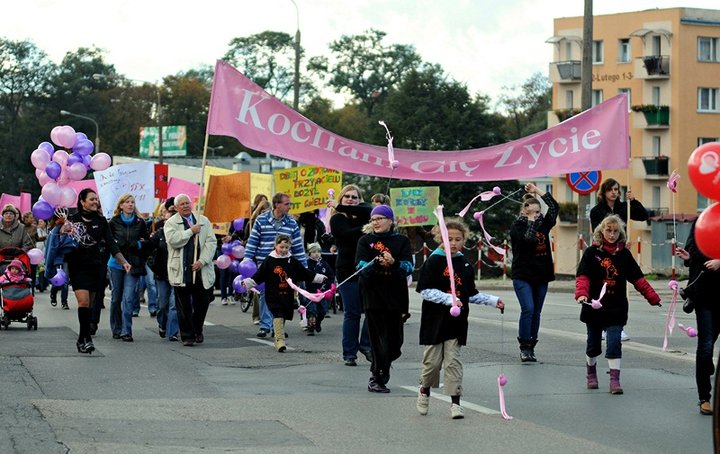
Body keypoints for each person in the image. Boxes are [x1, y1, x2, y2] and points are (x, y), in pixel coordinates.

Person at [416, 217, 505, 418]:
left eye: (458, 239)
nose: (454, 243)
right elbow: (425, 291)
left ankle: (455, 403)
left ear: (464, 240)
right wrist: (450, 299)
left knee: (453, 362)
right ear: (440, 238)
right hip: (434, 321)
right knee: (432, 364)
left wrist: (493, 300)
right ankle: (424, 390)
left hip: (456, 322)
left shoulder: (464, 263)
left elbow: (470, 293)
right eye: (450, 239)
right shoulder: (434, 260)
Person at [575, 215, 661, 394]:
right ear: (601, 231)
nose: (612, 235)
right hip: (594, 306)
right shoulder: (592, 253)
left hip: (616, 306)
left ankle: (615, 380)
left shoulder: (624, 255)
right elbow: (583, 276)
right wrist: (582, 295)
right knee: (593, 345)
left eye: (615, 231)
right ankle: (591, 372)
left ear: (620, 233)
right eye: (608, 231)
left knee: (614, 342)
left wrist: (653, 297)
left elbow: (638, 279)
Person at [62, 188, 131, 354]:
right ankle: (88, 339)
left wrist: (123, 262)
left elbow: (111, 244)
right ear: (82, 201)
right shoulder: (72, 219)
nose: (95, 202)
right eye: (91, 199)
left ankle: (82, 338)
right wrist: (63, 231)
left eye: (96, 199)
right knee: (83, 302)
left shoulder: (101, 221)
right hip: (77, 266)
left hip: (96, 266)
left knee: (91, 305)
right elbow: (60, 241)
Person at [356, 205, 413, 393]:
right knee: (378, 339)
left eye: (380, 218)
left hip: (396, 296)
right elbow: (361, 268)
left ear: (390, 220)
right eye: (373, 219)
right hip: (373, 296)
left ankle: (384, 365)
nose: (376, 222)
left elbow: (409, 267)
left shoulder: (402, 240)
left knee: (395, 343)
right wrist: (376, 262)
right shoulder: (365, 241)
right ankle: (377, 377)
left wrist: (393, 262)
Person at [243, 234, 326, 351]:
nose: (283, 250)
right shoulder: (269, 260)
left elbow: (304, 272)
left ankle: (278, 334)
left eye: (286, 247)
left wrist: (320, 278)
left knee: (284, 315)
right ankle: (279, 340)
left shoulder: (292, 261)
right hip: (272, 293)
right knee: (278, 314)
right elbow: (260, 275)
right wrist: (248, 283)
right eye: (281, 247)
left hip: (287, 294)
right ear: (275, 246)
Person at [590, 178, 649, 342]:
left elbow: (643, 216)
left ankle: (618, 326)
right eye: (610, 189)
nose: (614, 192)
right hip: (602, 254)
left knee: (619, 292)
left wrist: (633, 201)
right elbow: (596, 232)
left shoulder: (625, 208)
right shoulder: (596, 211)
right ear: (604, 192)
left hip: (621, 254)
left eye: (616, 189)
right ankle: (603, 326)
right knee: (602, 289)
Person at [244, 193, 307, 338]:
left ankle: (277, 327)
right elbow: (253, 241)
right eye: (286, 204)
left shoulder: (292, 223)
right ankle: (265, 325)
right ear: (277, 204)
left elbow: (298, 246)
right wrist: (247, 259)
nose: (290, 207)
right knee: (266, 293)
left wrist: (303, 267)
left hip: (284, 263)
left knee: (283, 295)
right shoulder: (261, 219)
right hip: (265, 262)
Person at [510, 183, 558, 362]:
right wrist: (530, 220)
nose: (536, 215)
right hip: (523, 275)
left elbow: (554, 206)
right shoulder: (517, 226)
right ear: (524, 211)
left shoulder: (543, 224)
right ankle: (524, 347)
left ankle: (531, 346)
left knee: (537, 312)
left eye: (538, 212)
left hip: (541, 274)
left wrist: (537, 191)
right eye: (532, 212)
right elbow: (528, 239)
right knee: (528, 309)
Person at [676, 220, 720, 415]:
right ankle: (705, 398)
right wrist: (690, 257)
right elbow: (692, 249)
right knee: (706, 345)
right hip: (705, 295)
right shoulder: (703, 221)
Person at [327, 184, 373, 366]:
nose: (351, 199)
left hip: (367, 269)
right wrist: (366, 228)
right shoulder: (337, 219)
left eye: (355, 197)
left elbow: (369, 209)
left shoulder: (365, 213)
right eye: (347, 197)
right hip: (347, 270)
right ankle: (349, 353)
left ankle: (366, 345)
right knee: (352, 313)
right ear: (341, 199)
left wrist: (366, 224)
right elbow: (346, 235)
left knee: (371, 311)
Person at [164, 193, 217, 347]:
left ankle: (197, 327)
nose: (186, 206)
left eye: (187, 203)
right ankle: (187, 335)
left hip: (200, 269)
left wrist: (202, 261)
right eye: (182, 204)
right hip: (181, 269)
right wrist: (190, 231)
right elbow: (173, 241)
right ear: (176, 208)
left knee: (203, 301)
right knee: (183, 304)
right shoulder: (171, 223)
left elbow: (211, 242)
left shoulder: (203, 220)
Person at [108, 193, 150, 342]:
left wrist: (139, 244)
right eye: (127, 202)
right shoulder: (114, 222)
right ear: (121, 205)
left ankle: (127, 331)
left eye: (132, 202)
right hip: (116, 264)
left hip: (133, 264)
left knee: (128, 297)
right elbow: (107, 242)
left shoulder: (140, 222)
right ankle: (116, 328)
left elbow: (147, 242)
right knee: (116, 298)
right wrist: (114, 245)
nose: (130, 204)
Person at [149, 198, 179, 341]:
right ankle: (162, 324)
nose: (173, 214)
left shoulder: (184, 231)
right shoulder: (160, 233)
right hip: (161, 273)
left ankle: (172, 331)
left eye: (175, 211)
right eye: (170, 211)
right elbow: (149, 250)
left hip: (177, 273)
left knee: (174, 304)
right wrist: (153, 265)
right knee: (163, 304)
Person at [303, 242, 335, 335]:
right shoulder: (306, 264)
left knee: (323, 310)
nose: (316, 253)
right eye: (314, 252)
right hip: (310, 292)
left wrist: (329, 286)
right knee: (312, 310)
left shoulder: (324, 264)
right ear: (309, 253)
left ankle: (318, 322)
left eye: (318, 251)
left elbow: (331, 275)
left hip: (322, 292)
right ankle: (310, 328)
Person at [35, 218, 48, 292]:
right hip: (38, 251)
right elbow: (39, 238)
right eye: (39, 221)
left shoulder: (47, 230)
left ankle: (44, 284)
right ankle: (40, 285)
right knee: (40, 268)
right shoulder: (37, 230)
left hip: (45, 251)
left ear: (45, 223)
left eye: (41, 221)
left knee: (44, 268)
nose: (39, 223)